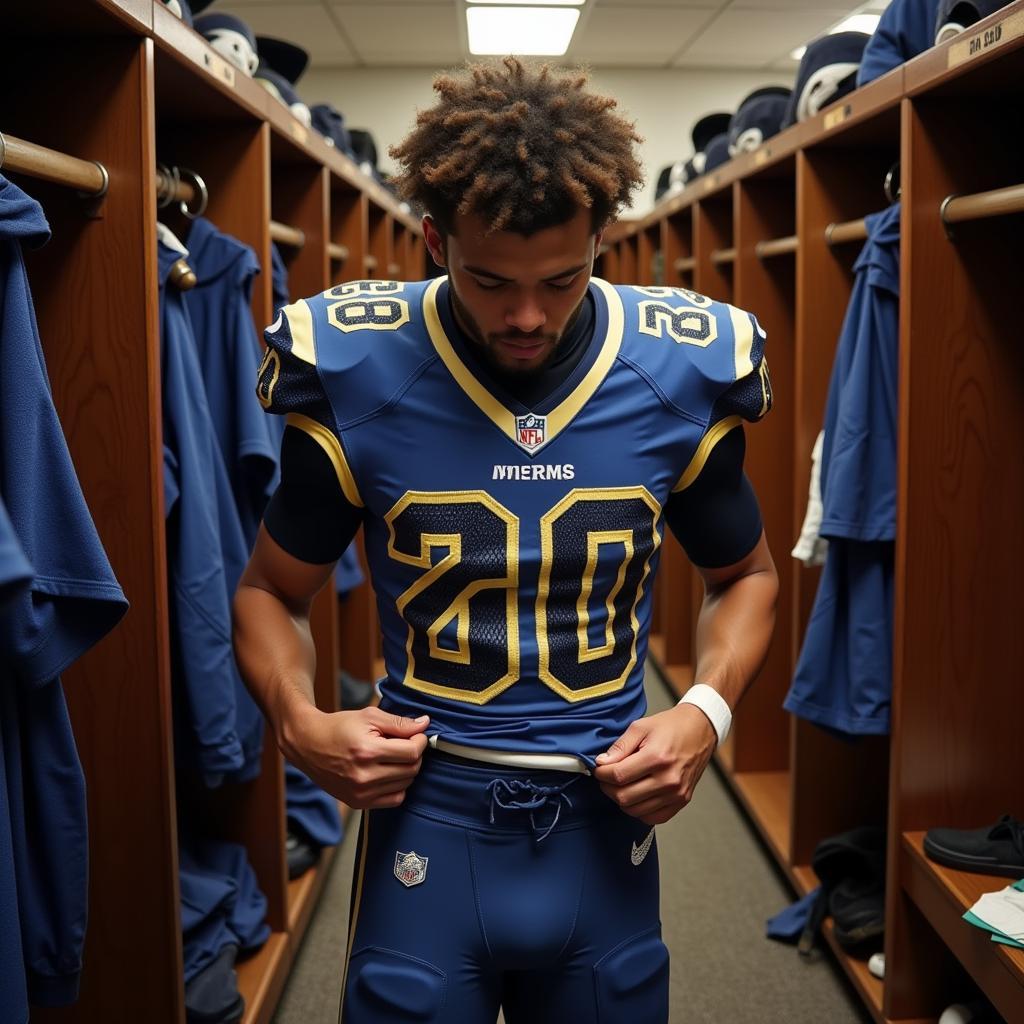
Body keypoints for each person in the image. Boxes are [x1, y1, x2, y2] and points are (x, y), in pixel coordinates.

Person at [233, 57, 778, 1023]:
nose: (526, 315)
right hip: (426, 822)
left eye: (562, 280)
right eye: (490, 281)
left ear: (603, 240)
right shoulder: (361, 367)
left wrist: (705, 712)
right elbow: (271, 591)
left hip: (606, 820)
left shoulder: (674, 367)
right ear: (435, 241)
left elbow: (747, 576)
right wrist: (300, 722)